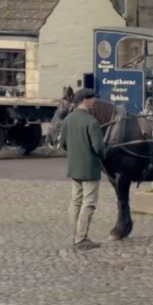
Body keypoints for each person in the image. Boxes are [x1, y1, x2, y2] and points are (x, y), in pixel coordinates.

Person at [58, 88, 106, 251]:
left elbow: (63, 143)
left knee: (76, 201)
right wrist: (105, 155)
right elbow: (99, 147)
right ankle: (81, 238)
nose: (94, 102)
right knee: (89, 203)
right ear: (85, 100)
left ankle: (75, 234)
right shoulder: (91, 122)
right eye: (93, 99)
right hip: (90, 168)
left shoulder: (68, 120)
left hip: (74, 167)